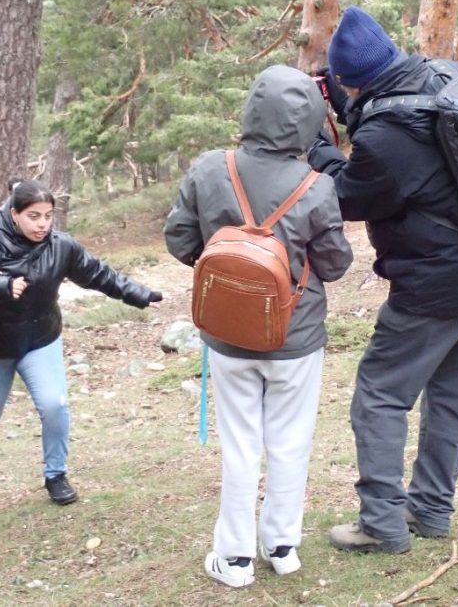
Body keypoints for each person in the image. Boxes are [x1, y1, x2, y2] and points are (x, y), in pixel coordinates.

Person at [307, 6, 458, 554]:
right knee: (453, 398)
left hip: (440, 287)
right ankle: (430, 512)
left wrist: (320, 152)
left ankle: (382, 526)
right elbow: (393, 119)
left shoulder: (387, 138)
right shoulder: (441, 75)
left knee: (380, 396)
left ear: (351, 78)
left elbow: (351, 195)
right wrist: (346, 102)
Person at [164, 65, 353, 588]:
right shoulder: (317, 186)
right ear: (310, 121)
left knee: (241, 446)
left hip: (227, 335)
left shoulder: (209, 168)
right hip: (296, 338)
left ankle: (234, 559)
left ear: (251, 109)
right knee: (291, 443)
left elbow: (180, 241)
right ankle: (283, 546)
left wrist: (230, 269)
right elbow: (335, 265)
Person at [0, 179, 163, 507]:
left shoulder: (62, 246)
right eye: (33, 216)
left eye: (48, 215)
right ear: (14, 214)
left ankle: (56, 475)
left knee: (55, 405)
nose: (42, 224)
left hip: (40, 340)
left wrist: (141, 294)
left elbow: (100, 274)